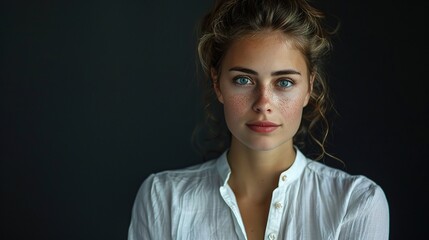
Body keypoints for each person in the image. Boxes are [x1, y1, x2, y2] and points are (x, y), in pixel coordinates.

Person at [128, 0, 390, 239]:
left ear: (308, 88)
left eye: (284, 82)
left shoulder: (355, 204)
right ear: (218, 84)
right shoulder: (162, 199)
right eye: (243, 80)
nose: (263, 103)